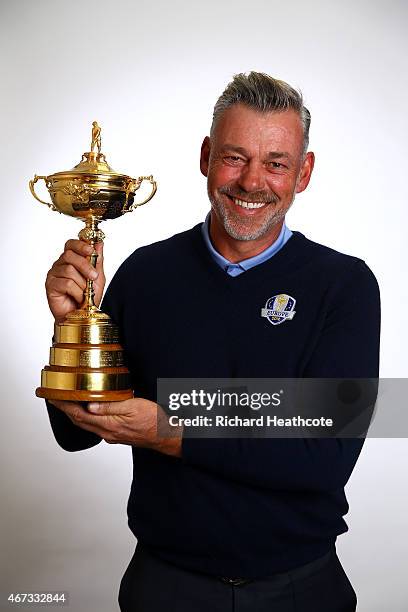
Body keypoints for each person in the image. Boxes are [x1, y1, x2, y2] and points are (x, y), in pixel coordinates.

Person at [45, 72, 381, 611]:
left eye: (276, 163)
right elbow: (74, 433)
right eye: (234, 157)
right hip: (164, 586)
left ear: (304, 173)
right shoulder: (146, 273)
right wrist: (69, 328)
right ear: (205, 157)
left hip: (300, 589)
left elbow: (326, 456)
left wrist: (169, 431)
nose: (252, 181)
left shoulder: (346, 286)